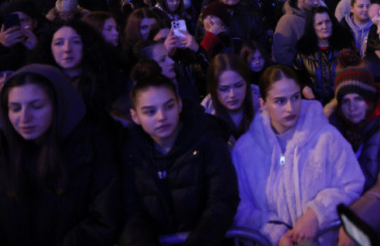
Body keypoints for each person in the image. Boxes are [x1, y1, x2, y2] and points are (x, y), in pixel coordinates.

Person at [232, 65, 364, 246]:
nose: (290, 108)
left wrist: (317, 213)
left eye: (295, 97)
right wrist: (275, 233)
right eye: (280, 101)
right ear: (263, 103)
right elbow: (240, 206)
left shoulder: (326, 137)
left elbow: (352, 183)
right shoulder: (245, 150)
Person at [0, 64, 120, 246]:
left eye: (37, 106)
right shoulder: (4, 149)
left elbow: (104, 219)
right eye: (15, 108)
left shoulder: (93, 148)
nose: (24, 118)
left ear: (58, 105)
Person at [121, 61, 239, 245]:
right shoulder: (130, 153)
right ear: (135, 116)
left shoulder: (207, 140)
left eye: (168, 106)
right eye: (150, 112)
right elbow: (131, 214)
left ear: (179, 104)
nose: (161, 117)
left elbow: (222, 201)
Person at [325, 55, 380, 245]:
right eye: (345, 101)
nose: (352, 108)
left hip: (379, 230)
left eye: (358, 99)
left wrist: (353, 222)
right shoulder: (332, 130)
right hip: (338, 230)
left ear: (369, 99)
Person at [294, 6, 355, 105]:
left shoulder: (344, 46)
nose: (324, 26)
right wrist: (304, 88)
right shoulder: (304, 52)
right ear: (312, 27)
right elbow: (296, 77)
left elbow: (355, 73)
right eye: (319, 23)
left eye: (327, 22)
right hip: (316, 106)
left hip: (343, 104)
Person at [202, 53, 258, 145]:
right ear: (213, 89)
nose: (232, 95)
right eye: (224, 89)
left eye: (239, 86)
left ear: (247, 84)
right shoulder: (205, 113)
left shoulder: (262, 104)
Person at [272, 0, 321, 66]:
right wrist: (304, 65)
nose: (316, 2)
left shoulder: (316, 14)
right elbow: (281, 54)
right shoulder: (287, 21)